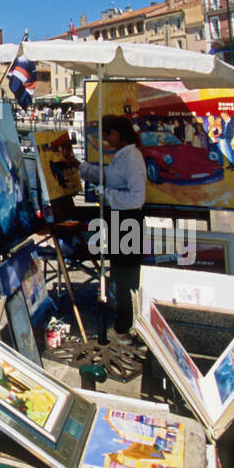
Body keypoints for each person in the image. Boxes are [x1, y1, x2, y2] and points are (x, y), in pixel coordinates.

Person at [79, 114, 147, 344]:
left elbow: (136, 198)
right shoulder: (122, 157)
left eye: (107, 136)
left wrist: (104, 193)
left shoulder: (132, 158)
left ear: (115, 134)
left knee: (126, 277)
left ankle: (124, 329)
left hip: (128, 222)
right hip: (120, 222)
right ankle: (123, 324)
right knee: (119, 273)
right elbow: (106, 175)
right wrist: (79, 167)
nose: (106, 141)